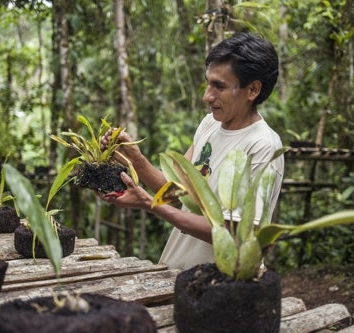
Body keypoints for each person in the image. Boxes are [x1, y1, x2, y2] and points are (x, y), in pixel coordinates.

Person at [100, 32, 284, 271]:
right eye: (208, 83)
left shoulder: (263, 146)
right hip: (179, 276)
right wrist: (135, 159)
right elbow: (175, 192)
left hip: (225, 289)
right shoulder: (210, 125)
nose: (207, 96)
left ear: (253, 90)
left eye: (219, 86)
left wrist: (148, 203)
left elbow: (236, 236)